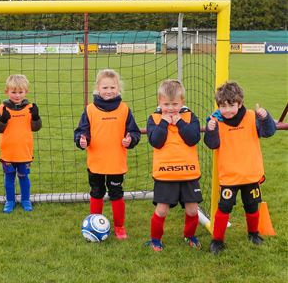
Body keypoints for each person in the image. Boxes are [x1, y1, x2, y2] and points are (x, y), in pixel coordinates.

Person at [204, 81, 276, 255]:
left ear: (240, 103)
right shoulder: (216, 121)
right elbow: (212, 144)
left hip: (251, 174)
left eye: (231, 106)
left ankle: (253, 234)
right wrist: (210, 130)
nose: (227, 110)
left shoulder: (252, 116)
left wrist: (265, 117)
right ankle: (217, 240)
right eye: (223, 106)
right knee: (224, 207)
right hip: (229, 175)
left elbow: (269, 131)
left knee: (252, 206)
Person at [74, 69, 141, 239]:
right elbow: (81, 132)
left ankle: (119, 227)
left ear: (118, 88)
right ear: (98, 88)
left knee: (116, 194)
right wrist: (82, 141)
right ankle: (94, 224)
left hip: (116, 163)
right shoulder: (89, 110)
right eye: (105, 87)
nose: (109, 91)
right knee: (96, 191)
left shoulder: (125, 109)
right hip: (96, 162)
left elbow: (134, 132)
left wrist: (130, 139)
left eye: (112, 87)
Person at [145, 79, 202, 251]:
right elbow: (156, 141)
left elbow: (193, 138)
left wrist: (179, 122)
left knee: (193, 210)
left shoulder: (190, 117)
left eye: (175, 104)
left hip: (188, 173)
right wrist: (163, 122)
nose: (170, 108)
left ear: (182, 102)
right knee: (162, 210)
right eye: (166, 104)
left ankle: (190, 235)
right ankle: (155, 240)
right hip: (165, 173)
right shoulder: (154, 119)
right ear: (159, 102)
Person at [0, 74, 42, 213]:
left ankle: (26, 200)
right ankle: (10, 201)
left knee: (23, 176)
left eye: (20, 92)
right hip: (8, 152)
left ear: (26, 92)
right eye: (13, 92)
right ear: (6, 91)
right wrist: (2, 119)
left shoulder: (30, 108)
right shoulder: (1, 108)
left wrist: (36, 117)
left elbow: (36, 127)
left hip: (24, 151)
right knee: (9, 178)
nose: (17, 95)